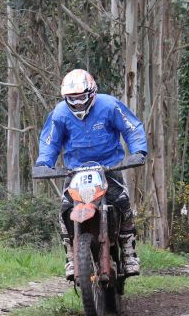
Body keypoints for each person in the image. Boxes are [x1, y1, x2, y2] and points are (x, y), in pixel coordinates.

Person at [35, 69, 148, 280]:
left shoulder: (109, 105)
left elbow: (132, 128)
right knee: (65, 209)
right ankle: (71, 256)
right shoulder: (60, 114)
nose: (77, 103)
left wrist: (138, 151)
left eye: (81, 98)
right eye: (72, 99)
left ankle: (129, 252)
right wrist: (44, 163)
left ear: (92, 93)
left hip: (110, 167)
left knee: (122, 201)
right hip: (76, 170)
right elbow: (49, 141)